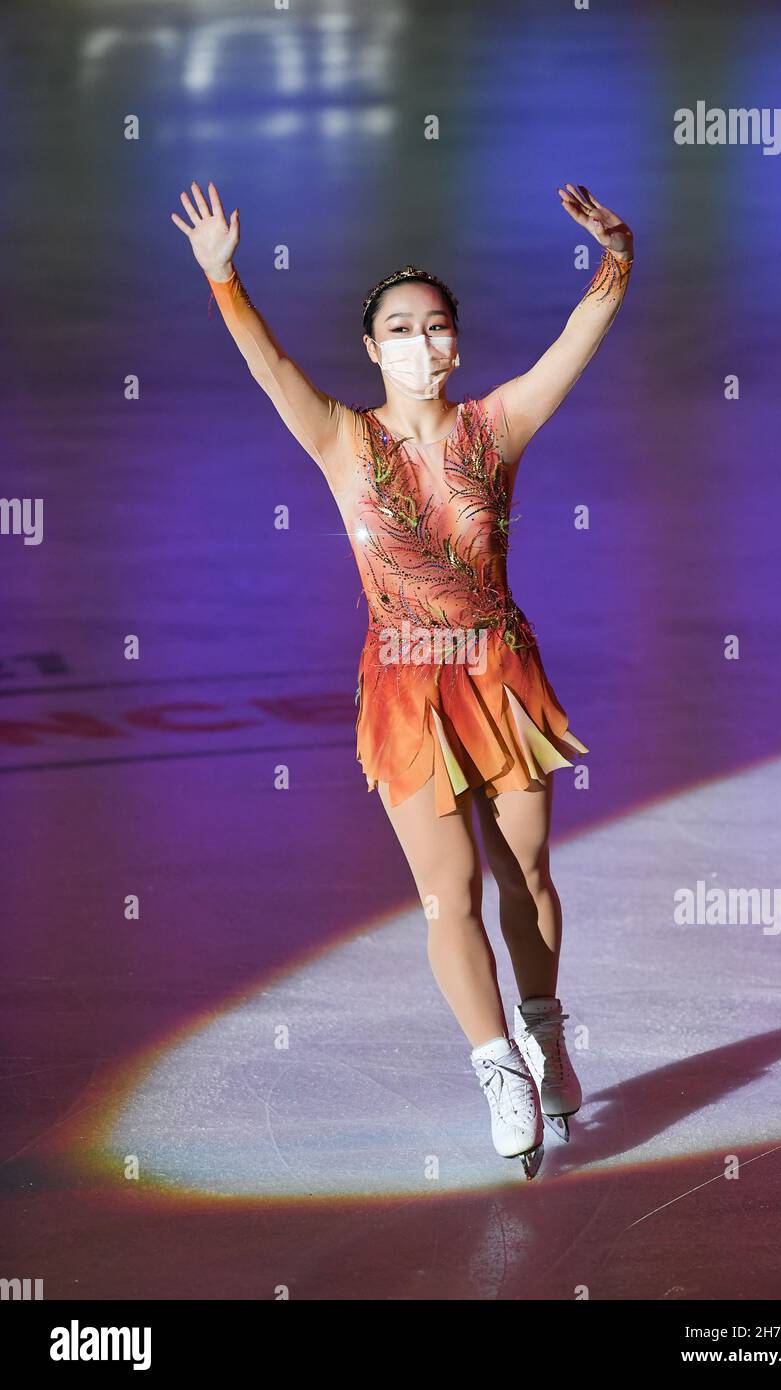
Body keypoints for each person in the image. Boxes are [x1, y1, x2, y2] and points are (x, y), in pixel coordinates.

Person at [172, 179, 633, 1178]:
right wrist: (223, 277)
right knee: (449, 893)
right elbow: (269, 366)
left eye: (436, 327)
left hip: (499, 673)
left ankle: (544, 1027)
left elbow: (574, 344)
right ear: (374, 350)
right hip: (404, 688)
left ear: (454, 343)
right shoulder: (345, 441)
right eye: (399, 329)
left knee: (528, 876)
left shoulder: (493, 428)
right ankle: (496, 1062)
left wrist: (615, 258)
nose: (422, 343)